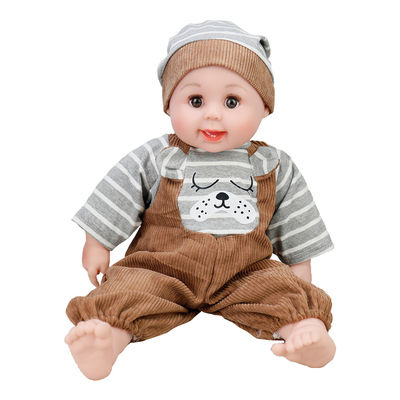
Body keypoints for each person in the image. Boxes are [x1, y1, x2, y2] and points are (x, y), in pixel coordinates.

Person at [65, 20, 336, 380]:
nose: (212, 114)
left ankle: (305, 332)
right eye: (195, 101)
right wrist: (97, 242)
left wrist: (300, 277)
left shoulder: (273, 164)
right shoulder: (159, 157)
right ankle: (106, 339)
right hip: (161, 268)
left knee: (282, 293)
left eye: (232, 101)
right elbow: (118, 190)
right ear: (169, 106)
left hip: (246, 273)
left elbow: (297, 221)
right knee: (128, 289)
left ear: (265, 107)